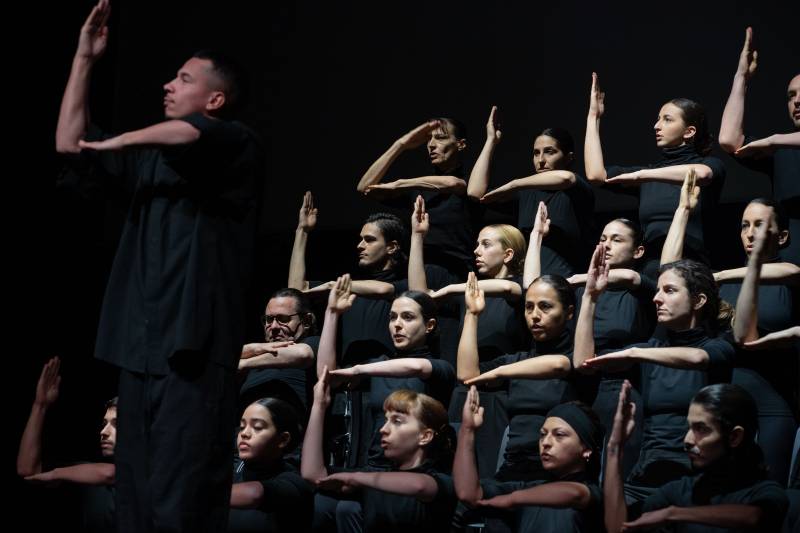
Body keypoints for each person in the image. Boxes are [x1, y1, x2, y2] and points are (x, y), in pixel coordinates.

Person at [55, 2, 264, 530]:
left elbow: (190, 134)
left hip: (192, 348)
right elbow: (68, 144)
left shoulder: (236, 141)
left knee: (182, 496)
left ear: (214, 98)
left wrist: (119, 139)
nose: (168, 85)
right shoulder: (150, 157)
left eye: (184, 78)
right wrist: (85, 59)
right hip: (139, 345)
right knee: (135, 496)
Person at [577, 257, 735, 504]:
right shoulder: (648, 351)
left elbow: (697, 358)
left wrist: (634, 353)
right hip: (647, 475)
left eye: (669, 290)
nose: (656, 298)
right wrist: (590, 298)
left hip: (700, 477)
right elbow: (583, 363)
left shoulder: (720, 347)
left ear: (698, 301)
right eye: (658, 290)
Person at [584, 72, 726, 279]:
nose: (656, 126)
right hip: (651, 274)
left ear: (689, 131)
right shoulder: (647, 175)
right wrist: (593, 117)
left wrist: (640, 176)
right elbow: (596, 175)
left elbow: (700, 174)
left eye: (667, 120)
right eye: (658, 119)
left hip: (692, 272)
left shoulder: (710, 164)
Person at [604, 381, 789, 532]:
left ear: (734, 437)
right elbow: (618, 529)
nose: (687, 440)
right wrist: (614, 448)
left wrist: (674, 514)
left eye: (701, 429)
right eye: (689, 428)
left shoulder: (765, 492)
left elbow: (755, 517)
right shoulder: (681, 490)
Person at [302, 370, 457, 533]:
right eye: (385, 420)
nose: (383, 429)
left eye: (397, 421)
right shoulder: (374, 480)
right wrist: (319, 405)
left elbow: (419, 486)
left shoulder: (443, 481)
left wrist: (355, 478)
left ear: (425, 436)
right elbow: (313, 475)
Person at [454, 386, 605, 532]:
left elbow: (575, 494)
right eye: (542, 434)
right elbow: (469, 494)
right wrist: (467, 430)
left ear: (586, 449)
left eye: (559, 435)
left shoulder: (594, 495)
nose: (545, 442)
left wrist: (514, 499)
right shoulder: (528, 489)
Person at [471, 106, 595, 278]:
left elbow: (566, 178)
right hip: (529, 283)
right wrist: (490, 141)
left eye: (549, 152)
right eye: (536, 153)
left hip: (566, 283)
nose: (541, 160)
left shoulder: (577, 190)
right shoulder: (525, 194)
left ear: (569, 158)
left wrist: (514, 184)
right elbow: (476, 193)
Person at [357, 118, 479, 277]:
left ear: (460, 144)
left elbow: (455, 183)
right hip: (419, 270)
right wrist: (400, 144)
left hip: (458, 272)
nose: (431, 145)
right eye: (429, 139)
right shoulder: (418, 188)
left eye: (441, 138)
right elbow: (364, 187)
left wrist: (399, 184)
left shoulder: (474, 180)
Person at [718, 27, 800, 264]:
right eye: (791, 96)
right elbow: (729, 140)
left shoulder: (778, 143)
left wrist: (774, 139)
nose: (797, 101)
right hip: (784, 262)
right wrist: (741, 77)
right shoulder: (783, 152)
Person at [18, 357, 117, 532]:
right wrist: (40, 406)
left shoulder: (150, 468)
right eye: (104, 424)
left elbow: (111, 473)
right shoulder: (86, 472)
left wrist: (57, 473)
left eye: (116, 424)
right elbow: (28, 470)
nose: (104, 431)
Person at [228, 397, 314, 533]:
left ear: (283, 439)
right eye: (242, 426)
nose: (244, 433)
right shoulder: (234, 468)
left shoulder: (294, 481)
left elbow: (255, 494)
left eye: (257, 427)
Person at [238, 288, 319, 417]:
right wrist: (255, 348)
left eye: (283, 319)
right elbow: (223, 356)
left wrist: (244, 364)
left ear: (306, 321)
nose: (274, 326)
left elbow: (303, 354)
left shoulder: (314, 342)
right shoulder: (257, 353)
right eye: (269, 320)